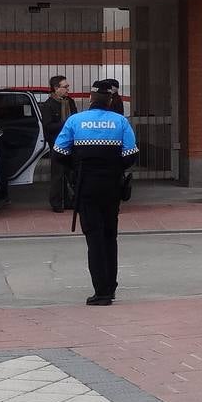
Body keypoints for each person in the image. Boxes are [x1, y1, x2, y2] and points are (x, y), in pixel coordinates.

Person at [53, 79, 139, 306]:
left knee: (94, 238)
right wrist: (113, 168)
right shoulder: (120, 121)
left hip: (86, 185)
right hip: (111, 187)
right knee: (110, 236)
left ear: (90, 99)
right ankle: (110, 287)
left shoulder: (75, 121)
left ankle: (100, 291)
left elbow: (59, 152)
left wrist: (78, 167)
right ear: (110, 99)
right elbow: (131, 155)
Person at [41, 75, 78, 213]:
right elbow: (48, 126)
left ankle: (68, 201)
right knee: (58, 173)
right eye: (65, 87)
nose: (68, 89)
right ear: (56, 88)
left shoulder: (70, 102)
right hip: (57, 143)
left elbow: (75, 118)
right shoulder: (48, 105)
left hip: (72, 143)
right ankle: (56, 202)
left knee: (70, 172)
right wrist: (66, 125)